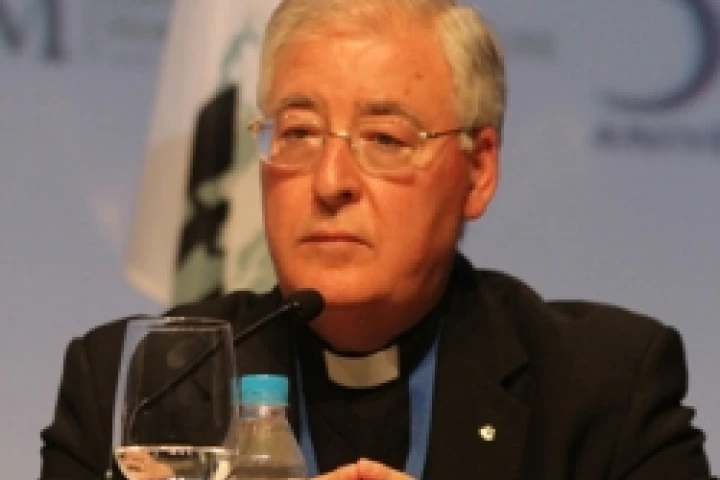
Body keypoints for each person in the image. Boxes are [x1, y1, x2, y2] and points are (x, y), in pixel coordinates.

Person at [40, 0, 714, 478]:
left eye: (385, 139)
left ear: (478, 170)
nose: (330, 181)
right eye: (298, 132)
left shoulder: (603, 392)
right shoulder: (142, 390)